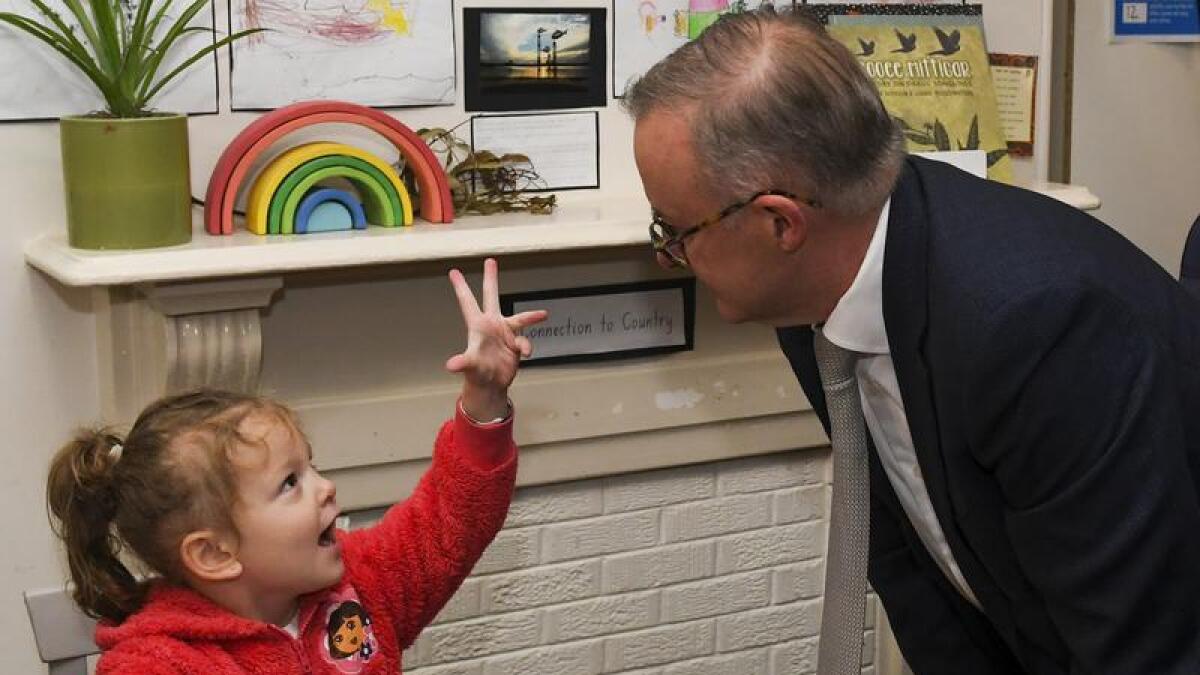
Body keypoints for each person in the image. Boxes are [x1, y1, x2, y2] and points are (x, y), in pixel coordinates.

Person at [623, 8, 1200, 674]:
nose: (671, 256)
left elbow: (1143, 648)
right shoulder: (812, 297)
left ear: (780, 225)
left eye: (676, 231)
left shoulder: (1034, 326)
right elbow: (910, 568)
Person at [45, 258, 547, 674]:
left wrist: (485, 398)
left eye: (310, 468)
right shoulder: (157, 665)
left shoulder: (362, 583)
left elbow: (450, 521)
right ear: (215, 553)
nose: (325, 487)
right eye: (289, 483)